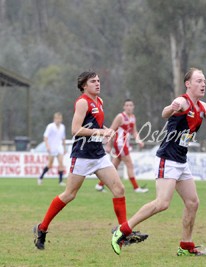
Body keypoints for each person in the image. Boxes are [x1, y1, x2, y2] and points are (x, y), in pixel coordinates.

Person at [110, 67, 206, 256]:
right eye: (199, 81)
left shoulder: (203, 107)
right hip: (167, 159)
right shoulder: (182, 102)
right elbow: (165, 112)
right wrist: (171, 108)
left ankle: (186, 246)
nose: (203, 84)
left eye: (204, 81)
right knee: (162, 203)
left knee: (192, 202)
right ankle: (123, 230)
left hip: (181, 161)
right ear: (188, 84)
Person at [33, 71, 148, 250]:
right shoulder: (82, 102)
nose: (97, 83)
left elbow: (95, 126)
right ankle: (42, 228)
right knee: (69, 195)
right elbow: (75, 129)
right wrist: (101, 132)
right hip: (82, 155)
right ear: (84, 86)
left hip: (98, 154)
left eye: (98, 80)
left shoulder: (99, 101)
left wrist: (107, 129)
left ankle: (123, 234)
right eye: (93, 81)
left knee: (119, 189)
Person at [95, 99, 148, 193]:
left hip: (125, 144)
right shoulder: (120, 117)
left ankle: (99, 185)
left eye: (130, 105)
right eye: (127, 105)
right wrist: (108, 145)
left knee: (114, 165)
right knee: (130, 164)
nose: (129, 107)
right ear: (124, 107)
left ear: (133, 107)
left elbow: (134, 131)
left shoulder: (133, 117)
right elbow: (111, 130)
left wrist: (138, 140)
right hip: (119, 143)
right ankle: (136, 188)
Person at [38, 112, 67, 186]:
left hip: (59, 147)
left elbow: (63, 138)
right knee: (50, 164)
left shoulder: (62, 127)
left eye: (60, 118)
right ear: (54, 119)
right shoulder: (50, 126)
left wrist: (64, 148)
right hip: (52, 148)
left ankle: (60, 181)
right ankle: (40, 177)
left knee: (61, 164)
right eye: (57, 118)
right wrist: (47, 146)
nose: (59, 120)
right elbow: (45, 137)